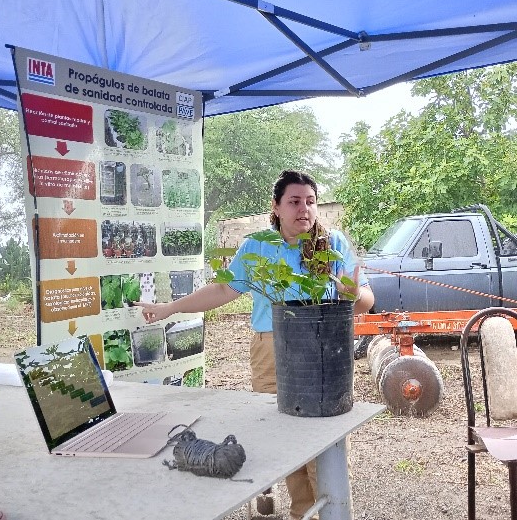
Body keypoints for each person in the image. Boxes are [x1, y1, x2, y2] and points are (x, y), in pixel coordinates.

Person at [136, 170, 374, 520]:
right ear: (276, 207)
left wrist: (351, 294)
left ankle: (335, 511)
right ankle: (301, 512)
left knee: (324, 438)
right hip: (270, 350)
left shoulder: (333, 244)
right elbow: (221, 290)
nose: (303, 209)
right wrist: (169, 308)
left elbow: (367, 300)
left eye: (310, 201)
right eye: (294, 202)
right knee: (287, 436)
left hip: (323, 351)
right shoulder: (258, 246)